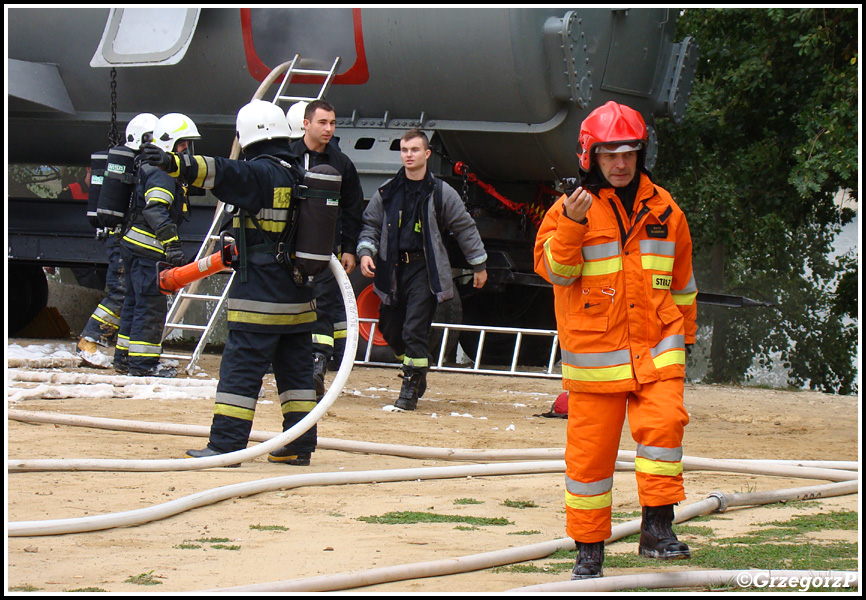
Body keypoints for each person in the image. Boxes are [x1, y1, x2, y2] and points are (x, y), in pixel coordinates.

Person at [533, 101, 698, 579]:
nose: (621, 164)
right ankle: (589, 549)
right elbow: (555, 271)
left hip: (659, 346)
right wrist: (572, 224)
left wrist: (684, 337)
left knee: (665, 430)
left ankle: (657, 530)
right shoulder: (567, 212)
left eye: (629, 154)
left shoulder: (666, 209)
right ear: (591, 156)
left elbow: (683, 282)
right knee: (590, 455)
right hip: (595, 357)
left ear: (641, 154)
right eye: (610, 155)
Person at [143, 99, 333, 467]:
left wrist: (173, 163)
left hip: (260, 298)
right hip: (298, 298)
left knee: (240, 371)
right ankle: (298, 444)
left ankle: (226, 445)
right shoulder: (298, 173)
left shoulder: (260, 172)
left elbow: (220, 172)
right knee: (295, 375)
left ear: (249, 136)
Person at [357, 129, 488, 411]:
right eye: (404, 150)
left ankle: (409, 389)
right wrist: (366, 251)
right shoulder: (388, 191)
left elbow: (464, 227)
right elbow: (371, 224)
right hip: (393, 270)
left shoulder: (442, 193)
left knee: (414, 328)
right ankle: (418, 369)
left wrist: (478, 264)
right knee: (390, 329)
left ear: (427, 154)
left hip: (424, 270)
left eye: (414, 150)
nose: (409, 155)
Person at [288, 99, 364, 400]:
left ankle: (316, 364)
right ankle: (290, 361)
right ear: (306, 124)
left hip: (324, 250)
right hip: (288, 247)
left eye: (332, 123)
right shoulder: (287, 157)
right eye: (323, 122)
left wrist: (349, 249)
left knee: (322, 305)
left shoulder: (341, 164)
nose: (329, 129)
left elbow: (353, 210)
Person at [117, 113, 198, 377]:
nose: (187, 150)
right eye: (183, 144)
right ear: (169, 143)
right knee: (150, 306)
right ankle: (143, 365)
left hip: (133, 247)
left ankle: (124, 359)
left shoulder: (150, 167)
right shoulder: (163, 173)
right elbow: (155, 211)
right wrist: (172, 245)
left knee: (133, 303)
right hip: (148, 250)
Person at [76, 113, 157, 369]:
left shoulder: (133, 164)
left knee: (128, 293)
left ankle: (122, 355)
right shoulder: (137, 165)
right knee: (121, 292)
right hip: (122, 240)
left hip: (119, 236)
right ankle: (88, 340)